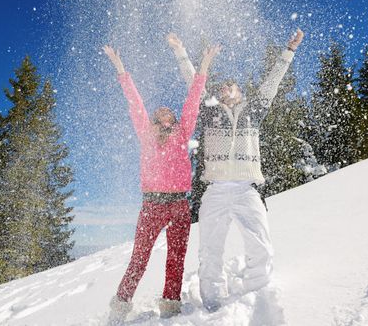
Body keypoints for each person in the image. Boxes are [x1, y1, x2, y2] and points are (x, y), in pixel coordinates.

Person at [168, 29, 304, 312]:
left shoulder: (254, 110)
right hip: (215, 190)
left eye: (230, 87)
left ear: (240, 92)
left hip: (247, 189)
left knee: (260, 245)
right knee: (210, 250)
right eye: (222, 88)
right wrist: (181, 52)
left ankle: (257, 296)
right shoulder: (209, 110)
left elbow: (271, 84)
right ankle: (213, 305)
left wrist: (288, 52)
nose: (225, 90)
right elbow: (193, 83)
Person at [103, 42, 220, 322]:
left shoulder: (183, 133)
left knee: (176, 258)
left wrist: (203, 66)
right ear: (155, 119)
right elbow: (135, 101)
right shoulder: (146, 134)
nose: (166, 113)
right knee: (139, 258)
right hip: (152, 204)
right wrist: (120, 68)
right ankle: (121, 304)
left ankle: (170, 305)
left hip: (180, 203)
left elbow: (193, 99)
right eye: (161, 112)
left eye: (170, 112)